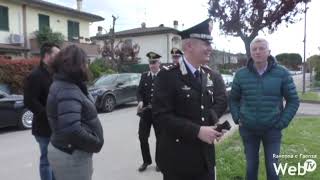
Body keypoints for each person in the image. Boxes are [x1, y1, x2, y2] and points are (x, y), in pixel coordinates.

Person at [152, 18, 228, 180]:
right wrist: (198, 131)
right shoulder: (168, 75)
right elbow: (161, 116)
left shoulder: (207, 75)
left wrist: (212, 127)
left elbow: (208, 108)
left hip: (205, 160)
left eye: (210, 44)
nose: (210, 48)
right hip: (178, 162)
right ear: (188, 46)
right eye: (205, 44)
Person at [229, 37, 300, 180]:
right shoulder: (241, 75)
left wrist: (281, 123)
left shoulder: (282, 73)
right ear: (250, 53)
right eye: (254, 49)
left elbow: (293, 100)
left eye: (261, 48)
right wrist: (237, 117)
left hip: (272, 130)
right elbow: (233, 99)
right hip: (248, 130)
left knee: (273, 170)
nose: (258, 52)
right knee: (251, 169)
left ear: (269, 52)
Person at [46, 45, 104, 180]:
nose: (87, 66)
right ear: (78, 64)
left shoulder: (66, 84)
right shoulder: (67, 89)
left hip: (67, 151)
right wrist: (96, 143)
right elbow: (71, 129)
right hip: (71, 154)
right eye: (85, 62)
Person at [24, 42, 60, 180]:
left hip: (56, 127)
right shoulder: (35, 75)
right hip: (43, 128)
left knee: (56, 159)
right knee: (47, 161)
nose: (59, 57)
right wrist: (47, 114)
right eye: (56, 54)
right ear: (47, 55)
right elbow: (29, 101)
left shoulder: (55, 74)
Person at [137, 51, 162, 172]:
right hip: (146, 113)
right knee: (142, 137)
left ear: (159, 63)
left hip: (159, 114)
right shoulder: (144, 76)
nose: (152, 65)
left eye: (154, 63)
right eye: (150, 63)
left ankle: (159, 162)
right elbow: (139, 92)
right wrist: (140, 101)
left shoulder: (164, 76)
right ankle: (146, 161)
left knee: (160, 138)